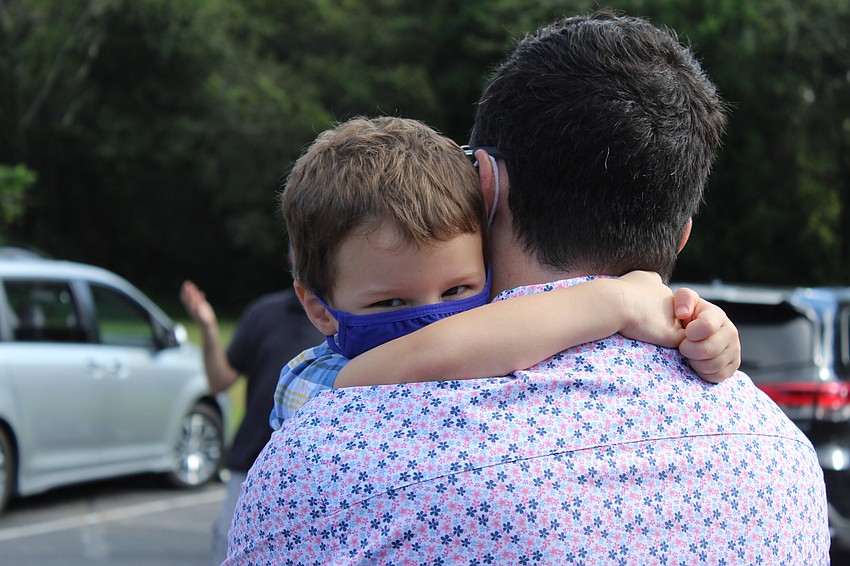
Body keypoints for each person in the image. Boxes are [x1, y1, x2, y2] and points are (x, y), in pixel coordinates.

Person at [227, 12, 829, 564]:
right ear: (681, 236)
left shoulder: (325, 459)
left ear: (485, 186)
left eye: (454, 290)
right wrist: (635, 306)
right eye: (393, 301)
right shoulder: (786, 459)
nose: (430, 312)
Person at [267, 116, 737, 430]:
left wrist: (698, 328)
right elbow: (434, 353)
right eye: (391, 303)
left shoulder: (502, 330)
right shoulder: (312, 382)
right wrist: (619, 300)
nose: (435, 320)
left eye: (458, 290)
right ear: (319, 308)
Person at [178, 279, 323, 566]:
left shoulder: (352, 317)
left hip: (312, 477)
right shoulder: (264, 313)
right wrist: (208, 326)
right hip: (249, 466)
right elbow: (219, 381)